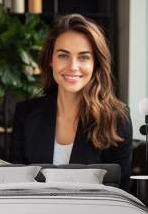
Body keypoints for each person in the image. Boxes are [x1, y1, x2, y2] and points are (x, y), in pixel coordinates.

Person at [9, 14, 133, 191]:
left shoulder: (117, 118)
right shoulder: (25, 114)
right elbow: (16, 187)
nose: (73, 66)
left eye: (83, 57)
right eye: (63, 56)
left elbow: (122, 193)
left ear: (95, 63)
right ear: (51, 60)